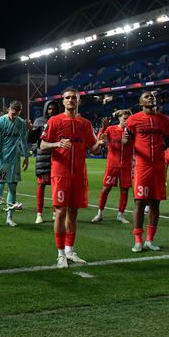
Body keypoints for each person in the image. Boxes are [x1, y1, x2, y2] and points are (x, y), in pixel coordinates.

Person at [40, 88, 104, 269]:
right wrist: (57, 143)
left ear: (78, 101)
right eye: (67, 98)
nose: (70, 100)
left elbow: (93, 149)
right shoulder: (54, 121)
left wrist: (98, 144)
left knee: (73, 213)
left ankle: (70, 250)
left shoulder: (85, 124)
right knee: (60, 212)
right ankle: (60, 254)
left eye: (73, 98)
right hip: (60, 174)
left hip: (79, 175)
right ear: (63, 101)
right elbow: (43, 144)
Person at [124, 91, 169, 253]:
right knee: (139, 202)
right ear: (140, 103)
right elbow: (126, 141)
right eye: (146, 96)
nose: (151, 97)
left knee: (155, 203)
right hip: (141, 167)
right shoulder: (133, 119)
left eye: (152, 96)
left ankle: (150, 240)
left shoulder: (164, 120)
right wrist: (125, 138)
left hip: (159, 168)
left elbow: (166, 143)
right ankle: (138, 240)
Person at [0, 101, 29, 228]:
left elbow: (23, 141)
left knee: (12, 189)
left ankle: (9, 218)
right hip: (2, 161)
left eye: (17, 114)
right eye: (12, 113)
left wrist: (26, 157)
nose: (14, 116)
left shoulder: (21, 123)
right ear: (8, 110)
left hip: (14, 161)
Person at [91, 110, 132, 224]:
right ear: (119, 118)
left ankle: (120, 215)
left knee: (124, 190)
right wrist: (103, 128)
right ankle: (99, 213)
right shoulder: (111, 129)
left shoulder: (132, 131)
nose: (127, 121)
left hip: (126, 166)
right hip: (112, 165)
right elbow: (99, 139)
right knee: (105, 189)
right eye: (125, 119)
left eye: (129, 119)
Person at [27, 100, 60, 224]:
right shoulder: (39, 121)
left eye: (54, 109)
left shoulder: (61, 121)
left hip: (57, 157)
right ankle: (39, 214)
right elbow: (31, 139)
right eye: (50, 109)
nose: (51, 111)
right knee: (41, 186)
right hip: (43, 157)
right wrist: (31, 130)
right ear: (46, 109)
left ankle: (55, 212)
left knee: (56, 187)